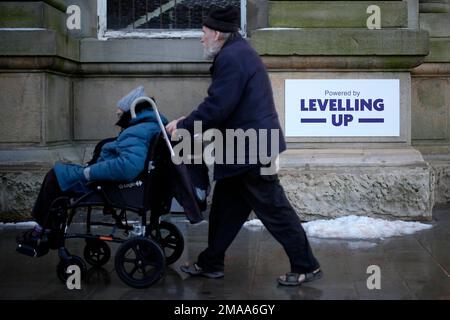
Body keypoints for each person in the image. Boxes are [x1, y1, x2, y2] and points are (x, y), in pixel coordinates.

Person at [165, 6, 322, 286]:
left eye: (203, 33)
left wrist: (185, 125)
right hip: (244, 149)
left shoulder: (232, 58)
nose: (201, 39)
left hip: (250, 151)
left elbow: (218, 107)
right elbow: (221, 105)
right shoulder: (237, 52)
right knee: (225, 209)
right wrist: (186, 120)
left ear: (216, 34)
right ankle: (211, 262)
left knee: (274, 210)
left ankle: (306, 265)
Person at [17, 86, 168, 254]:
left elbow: (127, 167)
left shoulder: (136, 131)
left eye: (119, 114)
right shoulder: (151, 126)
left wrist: (90, 172)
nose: (117, 118)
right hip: (119, 183)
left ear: (131, 111)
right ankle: (49, 227)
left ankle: (42, 231)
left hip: (108, 186)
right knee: (61, 176)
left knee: (55, 176)